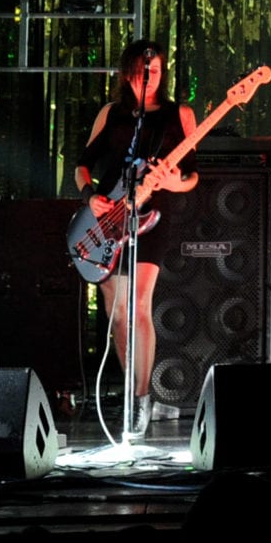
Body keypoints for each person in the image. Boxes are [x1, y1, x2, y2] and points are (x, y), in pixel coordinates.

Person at [73, 38, 199, 434]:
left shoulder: (180, 114)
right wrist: (90, 196)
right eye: (142, 73)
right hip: (107, 220)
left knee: (139, 303)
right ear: (128, 74)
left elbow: (193, 176)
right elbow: (82, 165)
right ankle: (134, 393)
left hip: (152, 218)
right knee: (117, 313)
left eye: (156, 71)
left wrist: (175, 182)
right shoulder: (111, 113)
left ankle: (141, 401)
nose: (149, 78)